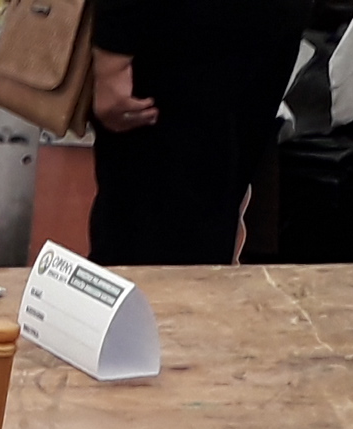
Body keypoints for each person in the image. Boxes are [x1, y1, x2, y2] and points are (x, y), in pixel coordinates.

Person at [90, 0, 314, 267]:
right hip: (259, 26)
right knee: (208, 218)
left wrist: (112, 53)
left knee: (153, 232)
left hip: (182, 36)